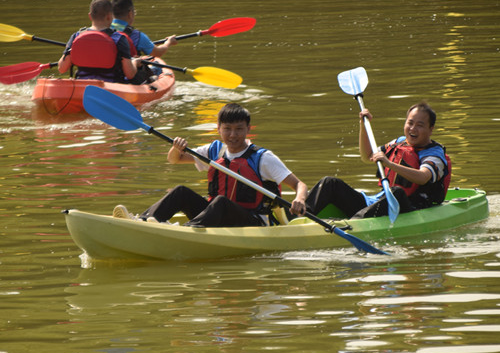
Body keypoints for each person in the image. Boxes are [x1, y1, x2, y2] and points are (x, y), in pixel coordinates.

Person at [113, 103, 308, 227]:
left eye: (239, 129)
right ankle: (145, 222)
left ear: (248, 129)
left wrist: (299, 199)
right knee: (181, 191)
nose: (233, 135)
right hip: (215, 217)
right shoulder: (214, 151)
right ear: (219, 129)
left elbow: (299, 185)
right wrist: (176, 148)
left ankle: (188, 231)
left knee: (220, 202)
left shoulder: (263, 158)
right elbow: (174, 160)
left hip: (252, 221)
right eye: (227, 129)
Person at [305, 101, 451, 219]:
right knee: (330, 183)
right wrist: (363, 124)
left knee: (397, 192)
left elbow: (423, 177)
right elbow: (367, 156)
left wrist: (389, 164)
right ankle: (297, 216)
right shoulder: (400, 142)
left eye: (420, 125)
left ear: (431, 129)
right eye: (410, 123)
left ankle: (356, 223)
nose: (413, 129)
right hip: (378, 202)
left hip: (409, 209)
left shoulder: (434, 153)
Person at [58, 0, 140, 83]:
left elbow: (62, 68)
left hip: (82, 87)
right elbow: (130, 74)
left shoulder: (77, 36)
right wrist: (135, 62)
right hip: (111, 87)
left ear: (90, 16)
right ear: (109, 17)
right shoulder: (119, 39)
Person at [111, 0, 177, 84]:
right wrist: (168, 42)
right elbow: (158, 52)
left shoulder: (102, 31)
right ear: (130, 14)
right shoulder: (137, 36)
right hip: (131, 79)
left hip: (110, 76)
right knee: (157, 66)